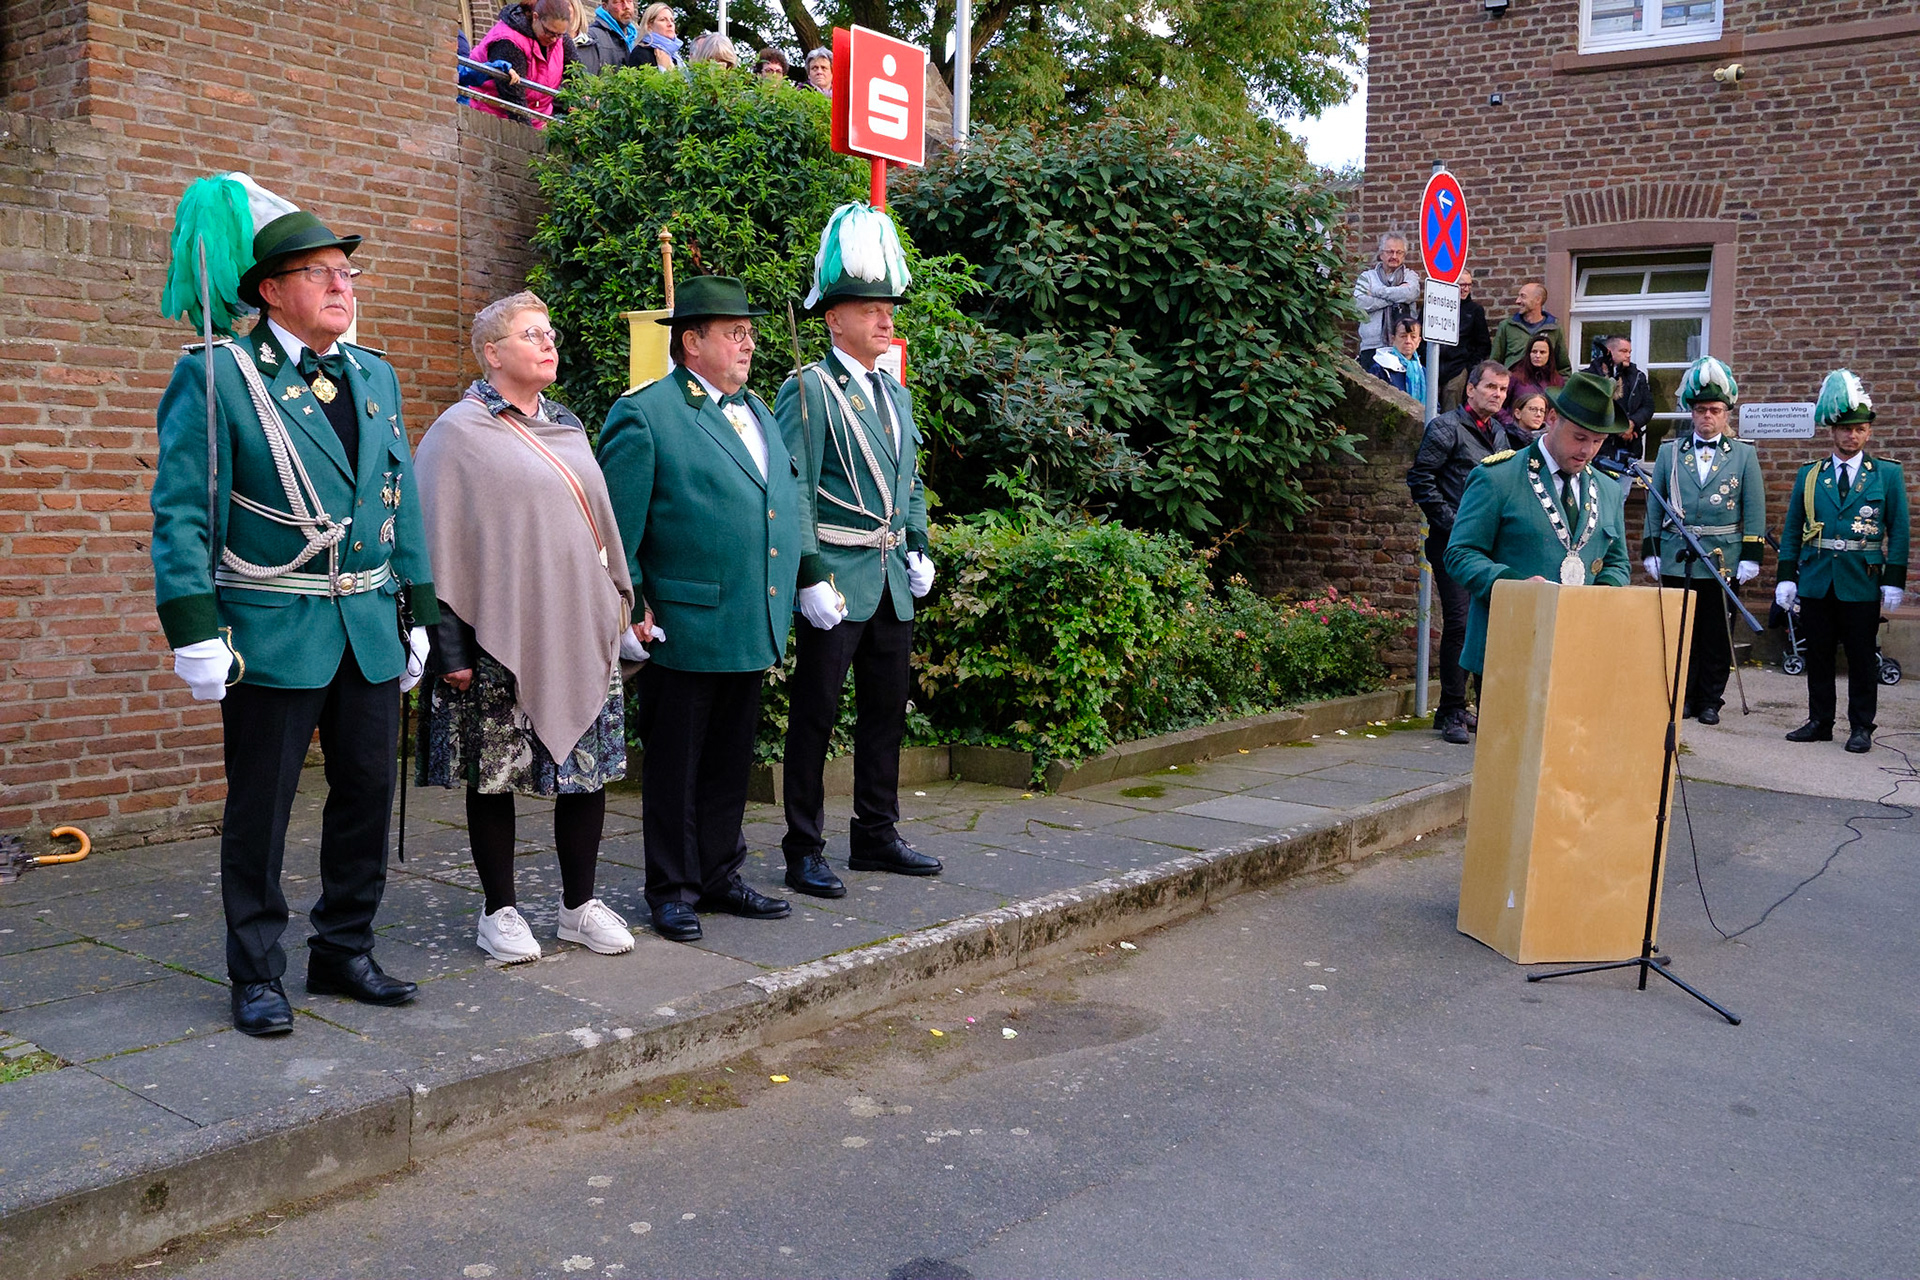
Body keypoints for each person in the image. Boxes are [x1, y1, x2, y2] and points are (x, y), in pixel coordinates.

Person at [152, 174, 435, 1035]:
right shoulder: (219, 374)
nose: (342, 286)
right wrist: (194, 629)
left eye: (347, 274)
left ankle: (344, 946)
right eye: (320, 273)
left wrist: (418, 611)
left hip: (367, 625)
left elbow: (401, 499)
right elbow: (183, 509)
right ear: (270, 290)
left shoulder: (376, 377)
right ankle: (256, 969)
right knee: (262, 808)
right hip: (274, 628)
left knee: (363, 796)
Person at [413, 293, 636, 963]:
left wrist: (620, 608)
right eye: (530, 334)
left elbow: (598, 528)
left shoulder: (568, 424)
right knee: (494, 775)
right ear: (492, 353)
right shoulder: (458, 432)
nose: (548, 343)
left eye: (550, 331)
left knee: (587, 773)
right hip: (493, 636)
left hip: (577, 626)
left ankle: (578, 906)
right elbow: (434, 540)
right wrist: (446, 640)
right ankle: (500, 911)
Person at [596, 277, 802, 942]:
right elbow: (615, 530)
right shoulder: (647, 413)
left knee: (729, 761)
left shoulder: (759, 411)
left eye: (749, 331)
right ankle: (673, 888)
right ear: (692, 341)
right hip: (681, 622)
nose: (748, 343)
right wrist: (629, 608)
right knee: (677, 766)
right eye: (733, 332)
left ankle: (718, 873)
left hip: (748, 618)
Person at [774, 203, 942, 899]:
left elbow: (909, 481)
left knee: (884, 713)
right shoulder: (807, 390)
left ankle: (875, 833)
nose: (885, 319)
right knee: (814, 717)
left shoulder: (895, 394)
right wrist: (808, 575)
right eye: (870, 308)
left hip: (890, 580)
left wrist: (921, 543)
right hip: (836, 582)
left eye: (887, 308)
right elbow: (791, 493)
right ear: (834, 318)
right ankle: (802, 847)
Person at [1444, 371, 1634, 678]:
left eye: (1598, 441)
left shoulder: (1609, 489)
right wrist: (1515, 586)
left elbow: (1617, 561)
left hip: (1581, 646)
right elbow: (1461, 554)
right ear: (1552, 418)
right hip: (1509, 644)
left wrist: (1604, 595)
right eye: (1580, 437)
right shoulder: (1498, 477)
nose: (1587, 451)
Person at [1775, 370, 1909, 754]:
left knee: (1862, 656)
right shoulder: (1811, 476)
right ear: (1832, 431)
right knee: (1817, 653)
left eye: (1860, 429)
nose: (1852, 436)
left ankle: (1861, 725)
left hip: (1861, 578)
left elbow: (1898, 529)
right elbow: (1792, 529)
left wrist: (1894, 579)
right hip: (1818, 576)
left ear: (1868, 433)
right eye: (1846, 429)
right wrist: (1786, 577)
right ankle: (1819, 721)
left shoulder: (1886, 474)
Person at [1407, 360, 1531, 745]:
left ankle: (1479, 705)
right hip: (1454, 545)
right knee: (1459, 623)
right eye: (1490, 387)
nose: (1497, 394)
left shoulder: (1500, 433)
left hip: (1490, 547)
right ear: (1470, 389)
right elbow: (1421, 479)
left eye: (1503, 390)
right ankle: (1452, 710)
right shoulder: (1446, 428)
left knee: (1487, 625)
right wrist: (1455, 524)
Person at [1642, 357, 1764, 725]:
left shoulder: (1744, 455)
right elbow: (1654, 502)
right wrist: (1650, 550)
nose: (1707, 416)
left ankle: (1711, 699)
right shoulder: (1669, 453)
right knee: (1679, 633)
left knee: (1715, 634)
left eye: (1714, 410)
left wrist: (1751, 555)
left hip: (1721, 556)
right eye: (1700, 410)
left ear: (1727, 414)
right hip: (1677, 554)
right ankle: (1681, 697)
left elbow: (1754, 506)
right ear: (1690, 413)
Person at [473, 0, 576, 127]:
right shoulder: (508, 42)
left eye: (559, 34)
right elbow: (515, 103)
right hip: (489, 117)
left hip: (539, 119)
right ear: (535, 17)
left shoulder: (561, 39)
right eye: (549, 32)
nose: (554, 39)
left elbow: (578, 75)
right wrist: (530, 139)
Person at [1352, 232, 1420, 371]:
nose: (1394, 256)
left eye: (1398, 252)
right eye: (1390, 252)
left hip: (1402, 347)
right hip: (1372, 347)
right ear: (1381, 254)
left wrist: (1377, 291)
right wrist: (1395, 297)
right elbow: (1359, 303)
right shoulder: (1367, 277)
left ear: (1404, 255)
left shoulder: (1410, 276)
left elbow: (1410, 293)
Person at [1590, 335, 1655, 466]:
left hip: (1627, 449)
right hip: (1597, 450)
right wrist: (1619, 427)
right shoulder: (1589, 377)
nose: (1628, 356)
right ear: (1608, 351)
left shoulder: (1637, 376)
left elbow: (1648, 407)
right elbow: (1590, 408)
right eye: (1623, 351)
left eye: (1629, 352)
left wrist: (1632, 423)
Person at [1437, 269, 1491, 413]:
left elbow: (1483, 344)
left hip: (1458, 367)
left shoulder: (1474, 310)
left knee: (1451, 410)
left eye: (1469, 285)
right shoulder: (1435, 306)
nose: (1465, 289)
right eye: (1461, 285)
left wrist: (1468, 366)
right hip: (1432, 365)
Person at [1491, 282, 1571, 376]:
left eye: (1523, 296)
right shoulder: (1507, 326)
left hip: (1544, 387)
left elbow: (1563, 368)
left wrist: (1560, 389)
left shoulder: (1554, 329)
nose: (1517, 301)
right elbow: (1494, 363)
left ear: (1538, 300)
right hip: (1513, 386)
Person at [1503, 335, 1564, 422]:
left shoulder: (1557, 381)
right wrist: (1510, 423)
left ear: (1549, 355)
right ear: (1529, 354)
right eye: (1534, 352)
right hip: (1516, 430)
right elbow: (1499, 405)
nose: (1537, 355)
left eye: (1542, 352)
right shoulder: (1515, 377)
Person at [1369, 316, 1427, 406]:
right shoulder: (1381, 369)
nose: (1408, 341)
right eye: (1403, 336)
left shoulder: (1424, 373)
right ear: (1393, 339)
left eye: (1413, 337)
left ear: (1419, 341)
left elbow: (1434, 406)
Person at [576, 0, 640, 74]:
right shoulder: (592, 37)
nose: (626, 7)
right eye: (618, 2)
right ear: (605, 6)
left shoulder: (636, 39)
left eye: (629, 1)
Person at [630, 2, 681, 68]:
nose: (670, 24)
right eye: (663, 20)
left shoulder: (675, 56)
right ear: (649, 26)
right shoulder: (641, 53)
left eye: (672, 20)